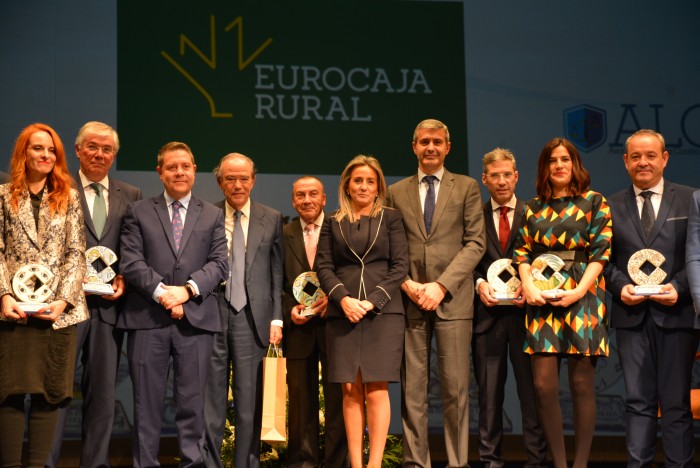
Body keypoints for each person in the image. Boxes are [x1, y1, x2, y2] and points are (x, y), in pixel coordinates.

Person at [117, 141, 228, 467]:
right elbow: (131, 261)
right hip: (147, 319)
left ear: (194, 170)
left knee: (192, 404)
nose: (179, 172)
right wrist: (166, 293)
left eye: (185, 166)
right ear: (160, 172)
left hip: (195, 322)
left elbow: (220, 263)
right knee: (145, 404)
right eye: (171, 167)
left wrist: (188, 291)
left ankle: (193, 463)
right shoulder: (138, 211)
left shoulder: (212, 214)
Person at [386, 118, 485, 468]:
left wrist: (441, 286)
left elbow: (475, 243)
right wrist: (409, 284)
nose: (431, 147)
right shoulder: (395, 192)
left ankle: (458, 463)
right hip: (409, 300)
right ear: (414, 146)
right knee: (413, 392)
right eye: (424, 142)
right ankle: (416, 463)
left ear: (448, 147)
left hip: (453, 301)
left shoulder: (468, 187)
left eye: (437, 142)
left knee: (456, 392)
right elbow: (389, 247)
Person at [513, 137, 612, 468]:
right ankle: (558, 463)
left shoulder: (594, 201)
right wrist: (527, 285)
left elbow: (601, 251)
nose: (559, 165)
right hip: (541, 298)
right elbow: (523, 251)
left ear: (575, 165)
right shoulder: (532, 207)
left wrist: (580, 291)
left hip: (583, 297)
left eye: (565, 160)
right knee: (543, 385)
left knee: (582, 383)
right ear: (545, 167)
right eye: (553, 160)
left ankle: (580, 463)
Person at [48, 121, 142, 467]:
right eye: (92, 147)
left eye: (107, 149)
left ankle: (95, 463)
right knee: (57, 392)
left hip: (108, 309)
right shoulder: (57, 188)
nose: (99, 154)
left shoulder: (130, 195)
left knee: (102, 396)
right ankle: (46, 462)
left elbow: (133, 248)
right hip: (65, 306)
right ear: (77, 150)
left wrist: (126, 279)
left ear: (114, 155)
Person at [607, 129, 699, 467]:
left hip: (677, 314)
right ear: (625, 160)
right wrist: (620, 287)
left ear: (665, 158)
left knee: (676, 404)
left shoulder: (691, 199)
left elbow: (698, 255)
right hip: (630, 315)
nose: (643, 162)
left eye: (650, 155)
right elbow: (602, 260)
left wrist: (679, 287)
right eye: (635, 156)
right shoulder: (609, 204)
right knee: (637, 402)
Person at [0, 123, 88, 467]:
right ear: (24, 152)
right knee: (8, 393)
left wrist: (63, 300)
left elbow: (76, 252)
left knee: (49, 395)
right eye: (38, 148)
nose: (46, 155)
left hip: (56, 313)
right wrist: (4, 296)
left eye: (52, 150)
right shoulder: (3, 196)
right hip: (11, 312)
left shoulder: (69, 197)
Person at [316, 155, 408, 468]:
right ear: (347, 185)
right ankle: (357, 464)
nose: (364, 186)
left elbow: (400, 266)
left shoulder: (391, 218)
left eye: (370, 181)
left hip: (382, 313)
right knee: (350, 389)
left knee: (376, 388)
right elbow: (324, 266)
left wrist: (372, 301)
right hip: (343, 314)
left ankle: (375, 464)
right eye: (358, 180)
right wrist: (343, 299)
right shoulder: (332, 220)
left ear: (379, 185)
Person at [202, 153, 284, 468]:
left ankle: (245, 463)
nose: (238, 185)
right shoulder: (206, 215)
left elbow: (277, 274)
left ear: (253, 180)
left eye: (244, 178)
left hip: (254, 318)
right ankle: (210, 463)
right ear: (220, 181)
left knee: (250, 402)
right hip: (212, 312)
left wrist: (277, 317)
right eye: (230, 178)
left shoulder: (272, 217)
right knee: (211, 400)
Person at [473, 148, 548, 468]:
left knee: (532, 397)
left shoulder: (535, 213)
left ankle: (536, 460)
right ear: (485, 179)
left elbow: (546, 263)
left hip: (527, 317)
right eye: (495, 176)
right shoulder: (473, 214)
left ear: (516, 177)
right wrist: (480, 284)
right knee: (488, 398)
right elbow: (467, 261)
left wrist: (532, 287)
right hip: (486, 318)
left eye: (507, 175)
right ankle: (491, 461)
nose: (501, 182)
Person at [283, 176, 349, 467]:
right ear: (293, 200)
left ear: (324, 200)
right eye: (300, 195)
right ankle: (303, 462)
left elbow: (350, 274)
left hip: (336, 324)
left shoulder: (341, 230)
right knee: (300, 403)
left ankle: (337, 462)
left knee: (338, 401)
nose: (306, 200)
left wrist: (333, 300)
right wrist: (289, 309)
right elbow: (274, 280)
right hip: (298, 328)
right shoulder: (283, 233)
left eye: (313, 194)